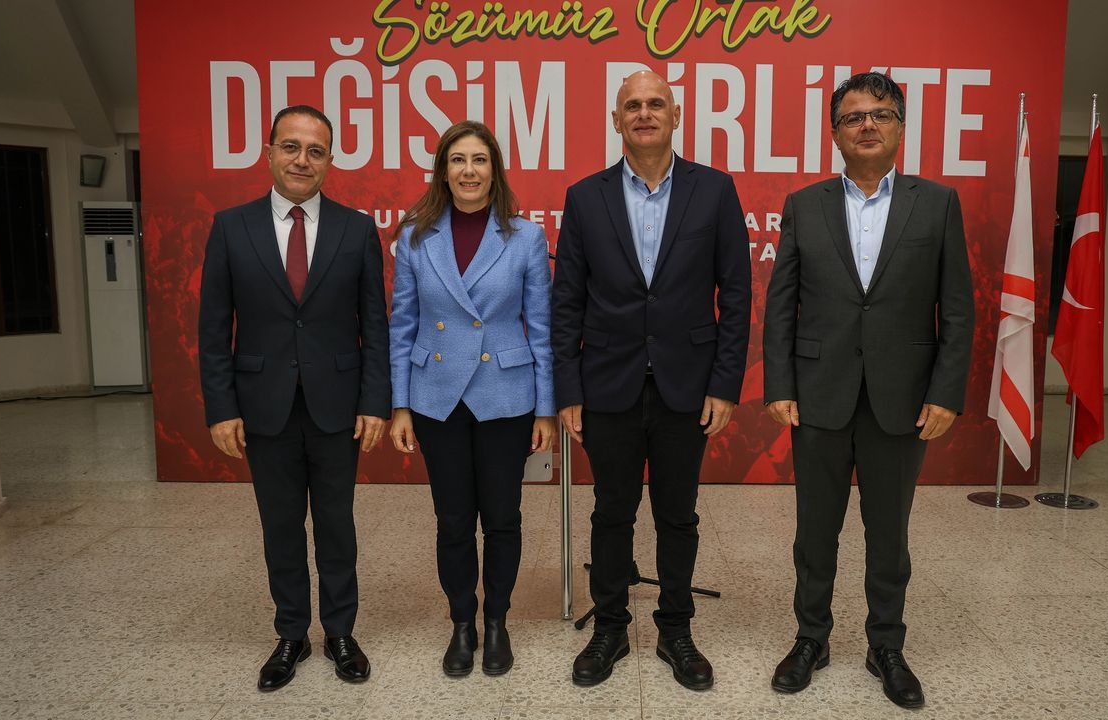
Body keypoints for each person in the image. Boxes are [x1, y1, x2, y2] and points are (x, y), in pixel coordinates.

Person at [762, 72, 975, 707]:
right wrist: (779, 383)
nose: (867, 126)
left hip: (903, 399)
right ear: (835, 133)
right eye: (854, 117)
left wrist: (946, 392)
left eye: (880, 115)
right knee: (814, 531)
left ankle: (886, 645)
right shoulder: (805, 204)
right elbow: (782, 305)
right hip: (818, 393)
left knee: (889, 534)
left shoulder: (936, 203)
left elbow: (957, 309)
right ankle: (811, 638)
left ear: (900, 127)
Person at [551, 70, 752, 690]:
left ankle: (675, 629)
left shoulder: (715, 190)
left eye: (655, 103)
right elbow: (566, 302)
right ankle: (610, 627)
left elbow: (736, 294)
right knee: (611, 512)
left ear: (676, 115)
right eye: (632, 105)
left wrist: (724, 383)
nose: (644, 113)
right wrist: (567, 389)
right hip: (606, 384)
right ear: (616, 120)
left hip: (686, 386)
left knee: (678, 514)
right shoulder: (585, 197)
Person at [199, 104, 390, 690]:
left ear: (329, 160)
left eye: (315, 150)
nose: (302, 160)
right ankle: (291, 634)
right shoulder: (231, 227)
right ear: (270, 153)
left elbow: (374, 325)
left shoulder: (357, 229)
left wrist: (375, 402)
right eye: (291, 147)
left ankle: (339, 632)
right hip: (263, 406)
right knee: (280, 525)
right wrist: (221, 408)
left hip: (337, 404)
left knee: (336, 524)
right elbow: (214, 327)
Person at [387, 120, 555, 678]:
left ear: (494, 170)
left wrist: (547, 409)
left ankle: (497, 620)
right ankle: (462, 622)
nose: (468, 171)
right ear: (443, 171)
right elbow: (402, 325)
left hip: (505, 395)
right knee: (453, 519)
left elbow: (542, 327)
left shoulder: (525, 236)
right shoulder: (416, 237)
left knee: (503, 518)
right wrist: (400, 405)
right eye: (457, 160)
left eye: (479, 160)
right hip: (436, 396)